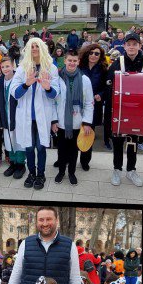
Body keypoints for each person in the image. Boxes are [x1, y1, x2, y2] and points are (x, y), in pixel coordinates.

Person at [6, 207, 81, 284]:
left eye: (49, 219)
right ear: (37, 222)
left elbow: (75, 279)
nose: (45, 223)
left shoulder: (70, 245)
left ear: (56, 220)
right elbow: (16, 275)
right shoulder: (26, 244)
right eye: (41, 220)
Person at [10, 37, 60, 190]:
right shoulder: (22, 68)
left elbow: (55, 94)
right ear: (28, 49)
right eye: (31, 47)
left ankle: (41, 174)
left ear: (42, 48)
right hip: (26, 117)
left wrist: (47, 87)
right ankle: (31, 173)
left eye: (37, 46)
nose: (34, 49)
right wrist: (26, 84)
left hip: (43, 116)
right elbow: (14, 93)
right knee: (29, 147)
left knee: (41, 146)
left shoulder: (51, 68)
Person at [105, 33, 143, 187]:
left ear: (139, 46)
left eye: (134, 44)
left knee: (133, 142)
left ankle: (131, 170)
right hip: (119, 110)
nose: (131, 47)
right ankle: (117, 169)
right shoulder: (118, 62)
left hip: (137, 111)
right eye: (128, 44)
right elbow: (109, 84)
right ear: (124, 46)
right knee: (117, 141)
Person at [53, 49, 94, 186]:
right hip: (61, 122)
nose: (72, 63)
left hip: (78, 122)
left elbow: (89, 102)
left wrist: (87, 122)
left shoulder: (85, 80)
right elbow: (52, 101)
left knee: (73, 150)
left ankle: (71, 172)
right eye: (69, 60)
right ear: (64, 61)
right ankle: (61, 172)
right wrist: (53, 121)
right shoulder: (57, 79)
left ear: (78, 62)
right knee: (61, 149)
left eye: (74, 60)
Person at [0, 56, 25, 179]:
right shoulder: (0, 81)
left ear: (13, 66)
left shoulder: (18, 79)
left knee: (19, 142)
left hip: (17, 118)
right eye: (3, 67)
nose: (5, 69)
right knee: (9, 141)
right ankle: (13, 163)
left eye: (8, 66)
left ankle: (21, 165)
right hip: (5, 117)